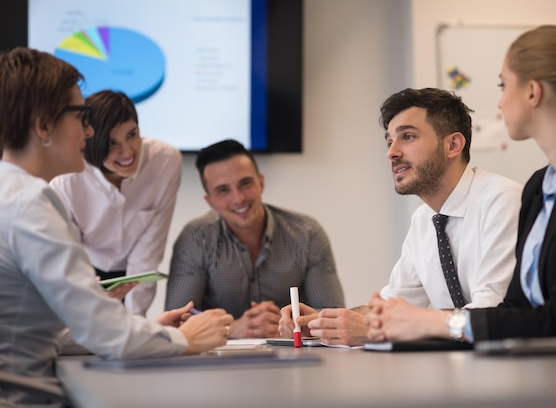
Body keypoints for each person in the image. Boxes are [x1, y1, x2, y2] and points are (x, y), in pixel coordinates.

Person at [0, 47, 233, 405]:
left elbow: (55, 332)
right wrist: (189, 339)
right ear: (44, 126)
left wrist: (148, 330)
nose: (88, 131)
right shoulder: (31, 203)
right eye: (80, 117)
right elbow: (101, 331)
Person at [366, 25, 556, 344]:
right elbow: (516, 307)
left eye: (504, 86)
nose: (500, 103)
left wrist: (431, 323)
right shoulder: (539, 186)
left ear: (533, 92)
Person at [279, 88, 522, 346]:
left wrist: (383, 328)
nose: (392, 153)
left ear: (452, 145)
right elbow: (391, 305)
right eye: (389, 141)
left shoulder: (502, 200)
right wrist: (326, 323)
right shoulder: (424, 219)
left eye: (407, 137)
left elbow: (491, 311)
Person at [165, 139, 345, 338]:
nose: (238, 198)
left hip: (293, 358)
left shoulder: (307, 234)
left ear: (261, 182)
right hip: (218, 363)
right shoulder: (194, 239)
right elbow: (175, 324)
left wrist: (288, 325)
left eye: (245, 183)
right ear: (210, 201)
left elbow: (334, 319)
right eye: (223, 190)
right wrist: (231, 328)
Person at [50, 89, 182, 316]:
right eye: (111, 143)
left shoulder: (165, 162)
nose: (127, 152)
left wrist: (134, 324)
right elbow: (69, 257)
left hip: (134, 275)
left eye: (132, 135)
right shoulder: (66, 178)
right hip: (86, 269)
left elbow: (147, 254)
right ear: (91, 142)